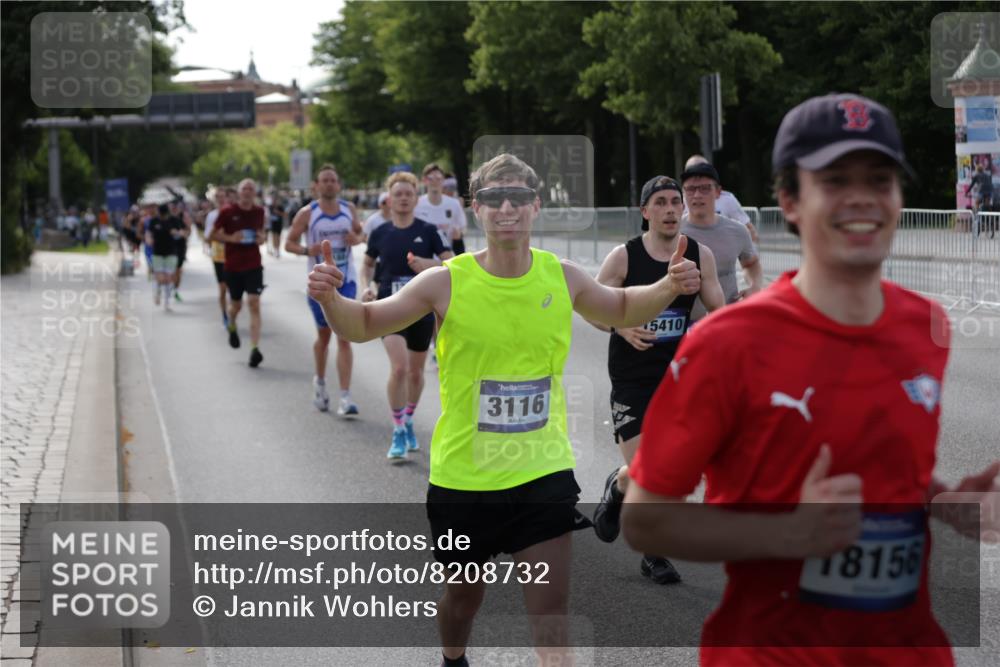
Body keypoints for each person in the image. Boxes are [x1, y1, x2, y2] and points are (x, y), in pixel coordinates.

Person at [622, 93, 1000, 667]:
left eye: (879, 179)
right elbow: (645, 520)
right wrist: (785, 536)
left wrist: (947, 502)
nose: (861, 197)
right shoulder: (727, 343)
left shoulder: (925, 325)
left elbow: (881, 468)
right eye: (835, 180)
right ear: (790, 202)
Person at [309, 153, 701, 667]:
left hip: (542, 471)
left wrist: (669, 286)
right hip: (464, 479)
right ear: (477, 208)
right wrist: (332, 301)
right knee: (463, 601)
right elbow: (363, 323)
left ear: (536, 205)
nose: (507, 207)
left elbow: (623, 306)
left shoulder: (562, 276)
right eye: (494, 198)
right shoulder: (446, 281)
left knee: (550, 612)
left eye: (518, 196)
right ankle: (453, 658)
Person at [590, 175, 725, 585]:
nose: (670, 209)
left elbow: (718, 311)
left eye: (675, 202)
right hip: (631, 377)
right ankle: (652, 547)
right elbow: (591, 307)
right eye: (661, 202)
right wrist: (620, 326)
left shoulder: (699, 255)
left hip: (678, 375)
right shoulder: (624, 257)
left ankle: (621, 490)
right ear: (645, 211)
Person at [357, 171, 452, 457]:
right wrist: (366, 287)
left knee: (415, 373)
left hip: (422, 310)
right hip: (389, 307)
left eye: (408, 194)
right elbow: (366, 265)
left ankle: (408, 418)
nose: (403, 199)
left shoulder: (429, 230)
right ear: (389, 198)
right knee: (399, 368)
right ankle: (398, 428)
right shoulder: (380, 232)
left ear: (416, 198)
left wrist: (428, 263)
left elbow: (453, 264)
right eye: (397, 194)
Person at [285, 164, 364, 415]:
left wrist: (356, 239)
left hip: (346, 281)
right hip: (319, 284)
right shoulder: (307, 213)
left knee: (345, 336)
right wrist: (307, 250)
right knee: (324, 337)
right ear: (316, 186)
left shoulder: (349, 209)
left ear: (338, 185)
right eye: (325, 180)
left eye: (333, 180)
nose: (329, 184)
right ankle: (319, 382)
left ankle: (345, 397)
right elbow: (288, 243)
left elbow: (361, 234)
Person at [680, 161, 763, 314]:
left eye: (705, 188)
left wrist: (755, 286)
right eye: (690, 189)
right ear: (683, 193)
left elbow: (751, 264)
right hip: (686, 320)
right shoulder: (673, 232)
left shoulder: (738, 230)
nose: (697, 195)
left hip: (725, 316)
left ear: (718, 192)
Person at [209, 178, 266, 368]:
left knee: (254, 303)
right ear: (239, 192)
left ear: (254, 193)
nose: (248, 191)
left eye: (251, 189)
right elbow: (212, 235)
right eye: (244, 189)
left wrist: (261, 239)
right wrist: (230, 238)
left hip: (254, 264)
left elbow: (261, 233)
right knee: (236, 306)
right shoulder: (227, 212)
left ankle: (254, 349)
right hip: (233, 266)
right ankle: (231, 323)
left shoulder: (259, 211)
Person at [684, 155, 759, 243]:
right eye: (692, 171)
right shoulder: (678, 201)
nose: (697, 195)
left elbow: (750, 230)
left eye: (703, 170)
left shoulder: (727, 200)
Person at [416, 163, 468, 255]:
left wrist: (459, 234)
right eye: (430, 178)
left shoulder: (454, 204)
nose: (434, 181)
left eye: (438, 178)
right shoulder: (416, 204)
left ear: (443, 180)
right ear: (424, 180)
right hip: (424, 257)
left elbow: (463, 227)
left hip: (447, 256)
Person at [144, 204, 183, 311]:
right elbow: (148, 233)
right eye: (161, 215)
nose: (162, 217)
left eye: (164, 215)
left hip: (171, 252)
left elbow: (181, 233)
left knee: (169, 278)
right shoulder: (154, 221)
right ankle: (157, 290)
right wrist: (148, 239)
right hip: (158, 253)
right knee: (161, 278)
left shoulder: (174, 220)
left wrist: (176, 233)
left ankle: (167, 302)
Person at [203, 187, 231, 328]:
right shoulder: (212, 216)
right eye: (218, 197)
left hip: (233, 255)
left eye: (223, 196)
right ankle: (225, 315)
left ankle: (232, 313)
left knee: (233, 289)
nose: (220, 199)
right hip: (218, 256)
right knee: (222, 288)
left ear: (227, 198)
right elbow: (207, 237)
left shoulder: (232, 213)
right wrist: (219, 237)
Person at [170, 200, 193, 302]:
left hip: (180, 247)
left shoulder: (182, 218)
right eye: (172, 208)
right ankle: (171, 288)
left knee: (178, 271)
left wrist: (185, 232)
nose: (174, 209)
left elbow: (188, 232)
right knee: (173, 271)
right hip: (169, 249)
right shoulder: (166, 219)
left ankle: (175, 290)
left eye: (176, 207)